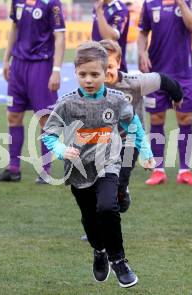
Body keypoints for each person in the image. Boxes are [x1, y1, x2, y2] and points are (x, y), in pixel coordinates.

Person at [42, 41, 155, 288]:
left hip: (109, 163)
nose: (89, 80)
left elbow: (134, 126)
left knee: (107, 207)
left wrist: (146, 153)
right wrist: (61, 149)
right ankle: (99, 251)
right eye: (83, 75)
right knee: (90, 219)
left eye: (95, 74)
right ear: (76, 74)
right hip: (79, 169)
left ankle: (119, 261)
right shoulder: (67, 103)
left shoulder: (116, 100)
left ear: (106, 73)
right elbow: (48, 133)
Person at [100, 39, 183, 212]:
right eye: (100, 67)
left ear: (119, 63)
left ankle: (122, 191)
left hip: (130, 141)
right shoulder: (91, 86)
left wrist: (177, 96)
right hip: (101, 143)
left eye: (109, 66)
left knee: (117, 182)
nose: (105, 72)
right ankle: (96, 227)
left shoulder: (134, 83)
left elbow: (163, 80)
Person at [0, 0, 65, 184]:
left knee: (45, 119)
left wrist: (56, 70)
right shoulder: (17, 1)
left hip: (41, 66)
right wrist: (6, 59)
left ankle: (45, 170)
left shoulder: (52, 3)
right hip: (18, 66)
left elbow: (60, 36)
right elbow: (14, 27)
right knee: (13, 116)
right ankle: (13, 169)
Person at [138, 0, 192, 186]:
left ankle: (185, 171)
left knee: (185, 119)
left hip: (183, 73)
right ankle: (158, 170)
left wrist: (181, 4)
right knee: (156, 119)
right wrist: (142, 52)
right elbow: (142, 32)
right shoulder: (149, 4)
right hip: (156, 72)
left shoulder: (190, 2)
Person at [92, 0, 129, 72]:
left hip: (114, 68)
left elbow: (110, 37)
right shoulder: (98, 6)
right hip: (97, 64)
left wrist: (99, 12)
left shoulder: (120, 9)